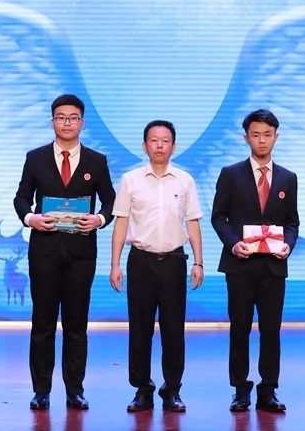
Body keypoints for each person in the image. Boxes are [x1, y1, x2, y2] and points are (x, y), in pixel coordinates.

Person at [13, 94, 116, 411]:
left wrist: (99, 219)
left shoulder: (96, 161)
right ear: (53, 122)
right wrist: (30, 218)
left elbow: (110, 201)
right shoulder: (36, 158)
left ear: (82, 122)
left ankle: (75, 390)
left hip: (81, 254)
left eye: (73, 117)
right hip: (44, 252)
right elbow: (21, 198)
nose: (67, 123)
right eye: (61, 117)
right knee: (43, 323)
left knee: (76, 324)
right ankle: (41, 390)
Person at [109, 120, 204, 413]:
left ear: (174, 146)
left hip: (174, 261)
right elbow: (121, 221)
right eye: (154, 140)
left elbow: (192, 222)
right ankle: (142, 389)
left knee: (174, 329)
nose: (159, 145)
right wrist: (114, 264)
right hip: (140, 261)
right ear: (144, 145)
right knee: (140, 329)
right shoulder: (130, 180)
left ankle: (172, 390)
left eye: (165, 140)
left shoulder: (185, 180)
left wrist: (198, 261)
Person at [210, 109, 300, 413]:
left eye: (267, 134)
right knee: (240, 328)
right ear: (246, 138)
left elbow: (292, 222)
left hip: (273, 267)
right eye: (256, 134)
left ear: (276, 136)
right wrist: (234, 243)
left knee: (271, 330)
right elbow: (219, 217)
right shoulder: (231, 174)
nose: (262, 140)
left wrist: (288, 245)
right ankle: (240, 390)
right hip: (240, 265)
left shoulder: (288, 178)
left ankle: (269, 390)